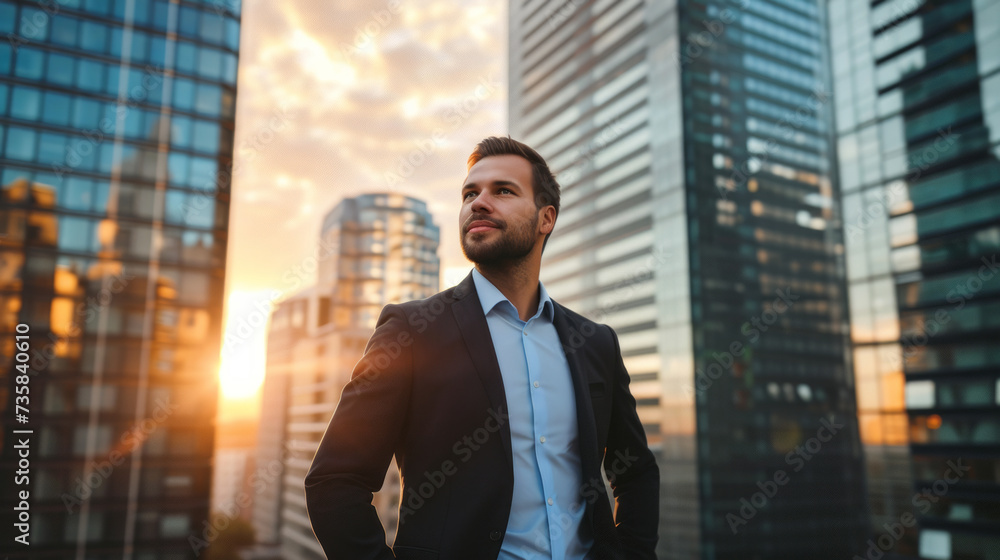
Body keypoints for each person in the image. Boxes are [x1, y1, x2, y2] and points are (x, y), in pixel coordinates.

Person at [304, 136, 659, 559]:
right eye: (470, 193)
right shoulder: (411, 331)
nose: (478, 202)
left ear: (546, 219)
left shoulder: (596, 342)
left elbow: (634, 472)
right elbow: (335, 481)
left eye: (503, 191)